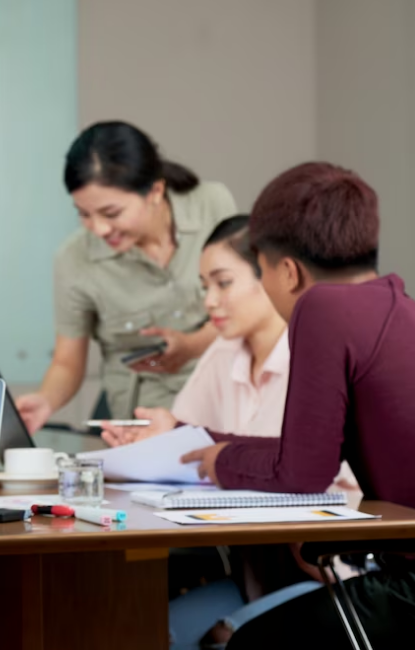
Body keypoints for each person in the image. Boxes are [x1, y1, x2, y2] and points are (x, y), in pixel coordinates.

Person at [177, 162, 415, 648]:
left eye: (260, 272)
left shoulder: (322, 308)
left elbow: (301, 473)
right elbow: (307, 451)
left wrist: (223, 461)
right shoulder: (388, 302)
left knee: (251, 643)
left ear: (287, 270)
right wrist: (212, 445)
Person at [101, 215, 356, 649]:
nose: (211, 302)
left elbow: (324, 478)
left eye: (223, 283)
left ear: (273, 276)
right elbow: (188, 440)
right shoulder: (225, 351)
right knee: (135, 629)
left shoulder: (314, 355)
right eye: (205, 287)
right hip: (254, 570)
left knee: (218, 637)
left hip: (325, 567)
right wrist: (158, 439)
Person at [15, 121, 237, 430]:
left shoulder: (212, 204)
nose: (99, 229)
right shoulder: (74, 260)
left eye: (111, 213)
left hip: (225, 409)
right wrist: (46, 400)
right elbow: (67, 361)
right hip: (141, 423)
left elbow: (253, 306)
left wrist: (193, 344)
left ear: (155, 192)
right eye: (84, 214)